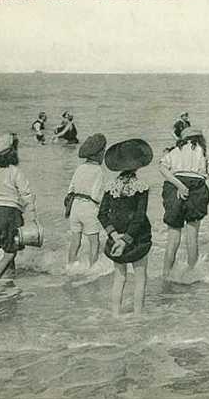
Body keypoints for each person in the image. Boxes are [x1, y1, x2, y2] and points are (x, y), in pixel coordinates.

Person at [98, 139, 153, 316]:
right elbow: (139, 216)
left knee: (119, 278)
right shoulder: (141, 187)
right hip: (137, 238)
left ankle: (115, 315)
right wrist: (126, 239)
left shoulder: (110, 187)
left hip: (115, 237)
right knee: (140, 278)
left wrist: (115, 237)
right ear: (138, 166)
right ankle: (138, 316)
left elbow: (102, 215)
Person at [159, 127, 209, 287]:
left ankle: (166, 274)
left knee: (173, 237)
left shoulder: (175, 151)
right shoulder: (203, 152)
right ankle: (191, 274)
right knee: (192, 236)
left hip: (174, 186)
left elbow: (162, 168)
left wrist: (179, 185)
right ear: (199, 138)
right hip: (197, 187)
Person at [0, 133, 38, 279]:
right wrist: (32, 215)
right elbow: (26, 195)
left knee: (7, 247)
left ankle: (9, 278)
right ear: (13, 154)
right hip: (9, 213)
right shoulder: (15, 172)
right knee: (11, 251)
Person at [66, 133, 107, 269]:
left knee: (75, 240)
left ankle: (70, 266)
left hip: (75, 207)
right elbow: (97, 195)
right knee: (94, 242)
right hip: (89, 207)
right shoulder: (98, 171)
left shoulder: (80, 168)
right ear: (99, 154)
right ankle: (92, 269)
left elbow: (70, 189)